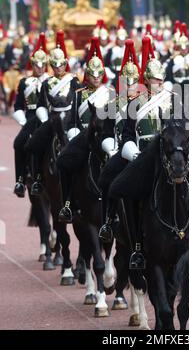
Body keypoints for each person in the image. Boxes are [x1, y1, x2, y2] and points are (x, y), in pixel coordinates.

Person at [100, 35, 181, 269]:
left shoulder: (173, 100)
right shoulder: (135, 103)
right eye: (155, 80)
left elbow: (182, 131)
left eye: (161, 79)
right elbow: (127, 134)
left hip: (170, 155)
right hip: (142, 157)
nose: (159, 83)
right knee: (114, 182)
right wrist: (133, 153)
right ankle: (118, 231)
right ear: (147, 80)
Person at [56, 37, 110, 223]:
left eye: (98, 74)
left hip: (105, 139)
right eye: (92, 74)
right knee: (63, 162)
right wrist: (73, 135)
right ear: (87, 74)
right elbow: (72, 122)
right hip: (83, 138)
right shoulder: (79, 96)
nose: (96, 77)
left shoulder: (109, 95)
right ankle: (68, 204)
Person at [25, 30, 80, 196]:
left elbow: (78, 102)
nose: (58, 68)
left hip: (71, 118)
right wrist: (43, 118)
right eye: (54, 65)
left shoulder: (73, 80)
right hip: (53, 118)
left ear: (65, 63)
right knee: (34, 143)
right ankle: (39, 178)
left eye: (61, 65)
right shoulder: (47, 83)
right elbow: (41, 104)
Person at [98, 38, 141, 242]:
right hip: (120, 152)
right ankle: (108, 218)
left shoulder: (147, 103)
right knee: (106, 178)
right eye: (127, 82)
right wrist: (112, 150)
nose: (130, 86)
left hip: (144, 154)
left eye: (134, 82)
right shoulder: (112, 104)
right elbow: (107, 134)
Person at [12, 33, 49, 197]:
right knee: (19, 142)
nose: (40, 68)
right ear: (32, 64)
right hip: (31, 119)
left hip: (49, 118)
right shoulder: (24, 82)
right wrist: (22, 121)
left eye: (42, 65)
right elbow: (18, 106)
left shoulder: (52, 81)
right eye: (37, 65)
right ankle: (20, 180)